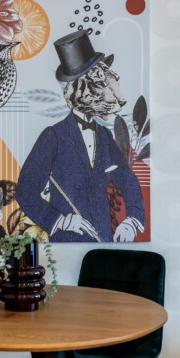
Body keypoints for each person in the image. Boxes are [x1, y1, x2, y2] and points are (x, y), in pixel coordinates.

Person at [15, 30, 145, 242]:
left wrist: (132, 220)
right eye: (101, 84)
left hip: (103, 242)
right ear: (77, 88)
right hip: (66, 242)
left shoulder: (104, 136)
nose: (119, 98)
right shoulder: (53, 137)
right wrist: (61, 220)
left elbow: (127, 179)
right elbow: (25, 191)